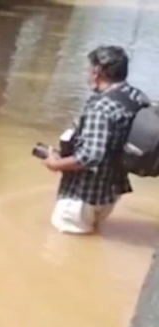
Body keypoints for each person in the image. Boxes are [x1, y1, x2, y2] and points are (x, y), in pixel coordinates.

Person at [44, 45, 150, 234]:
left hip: (83, 195)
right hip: (111, 192)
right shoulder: (137, 97)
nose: (86, 74)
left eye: (88, 69)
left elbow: (90, 156)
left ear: (96, 72)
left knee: (62, 247)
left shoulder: (101, 107)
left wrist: (55, 164)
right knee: (91, 237)